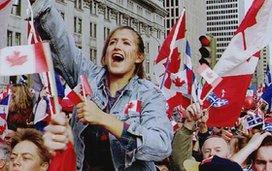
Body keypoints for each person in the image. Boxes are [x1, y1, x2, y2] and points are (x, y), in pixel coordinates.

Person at [30, 0, 172, 170]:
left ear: (139, 57)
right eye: (112, 43)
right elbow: (61, 44)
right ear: (105, 56)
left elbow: (161, 146)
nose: (117, 46)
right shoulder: (88, 77)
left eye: (126, 43)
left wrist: (104, 118)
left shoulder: (149, 94)